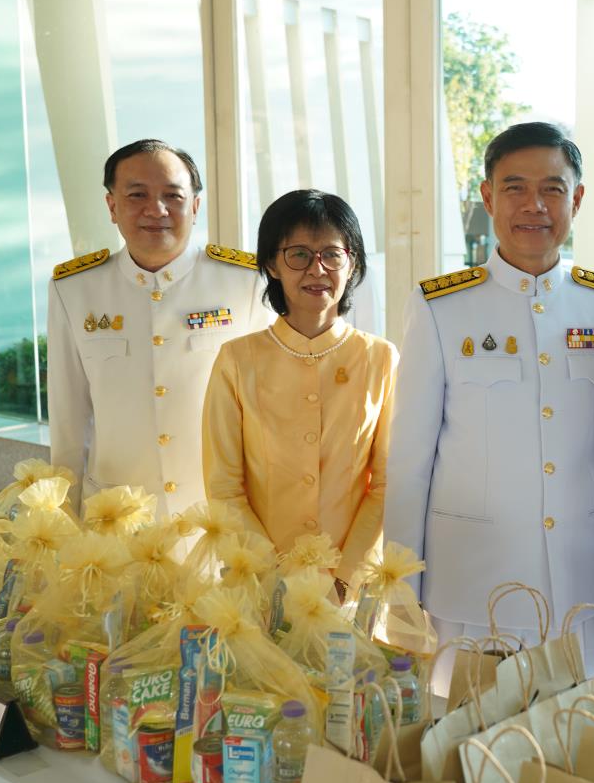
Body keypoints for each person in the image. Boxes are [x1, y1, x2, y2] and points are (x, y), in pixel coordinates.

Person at [384, 122, 594, 685]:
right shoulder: (442, 306)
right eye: (515, 187)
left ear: (577, 199)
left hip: (575, 586)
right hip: (471, 583)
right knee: (463, 733)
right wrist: (400, 587)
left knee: (572, 731)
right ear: (488, 197)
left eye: (552, 189)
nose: (534, 205)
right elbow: (411, 459)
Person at [47, 139, 271, 518]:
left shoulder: (245, 282)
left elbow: (265, 412)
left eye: (173, 195)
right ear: (112, 206)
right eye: (137, 195)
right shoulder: (74, 289)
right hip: (114, 521)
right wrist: (64, 525)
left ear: (195, 206)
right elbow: (68, 421)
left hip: (215, 520)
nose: (157, 210)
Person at [202, 190, 397, 590]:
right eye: (299, 255)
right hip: (260, 583)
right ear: (272, 264)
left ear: (352, 264)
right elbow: (224, 486)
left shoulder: (379, 357)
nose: (317, 269)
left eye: (332, 254)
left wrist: (346, 577)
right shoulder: (237, 359)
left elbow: (386, 483)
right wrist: (272, 578)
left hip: (350, 587)